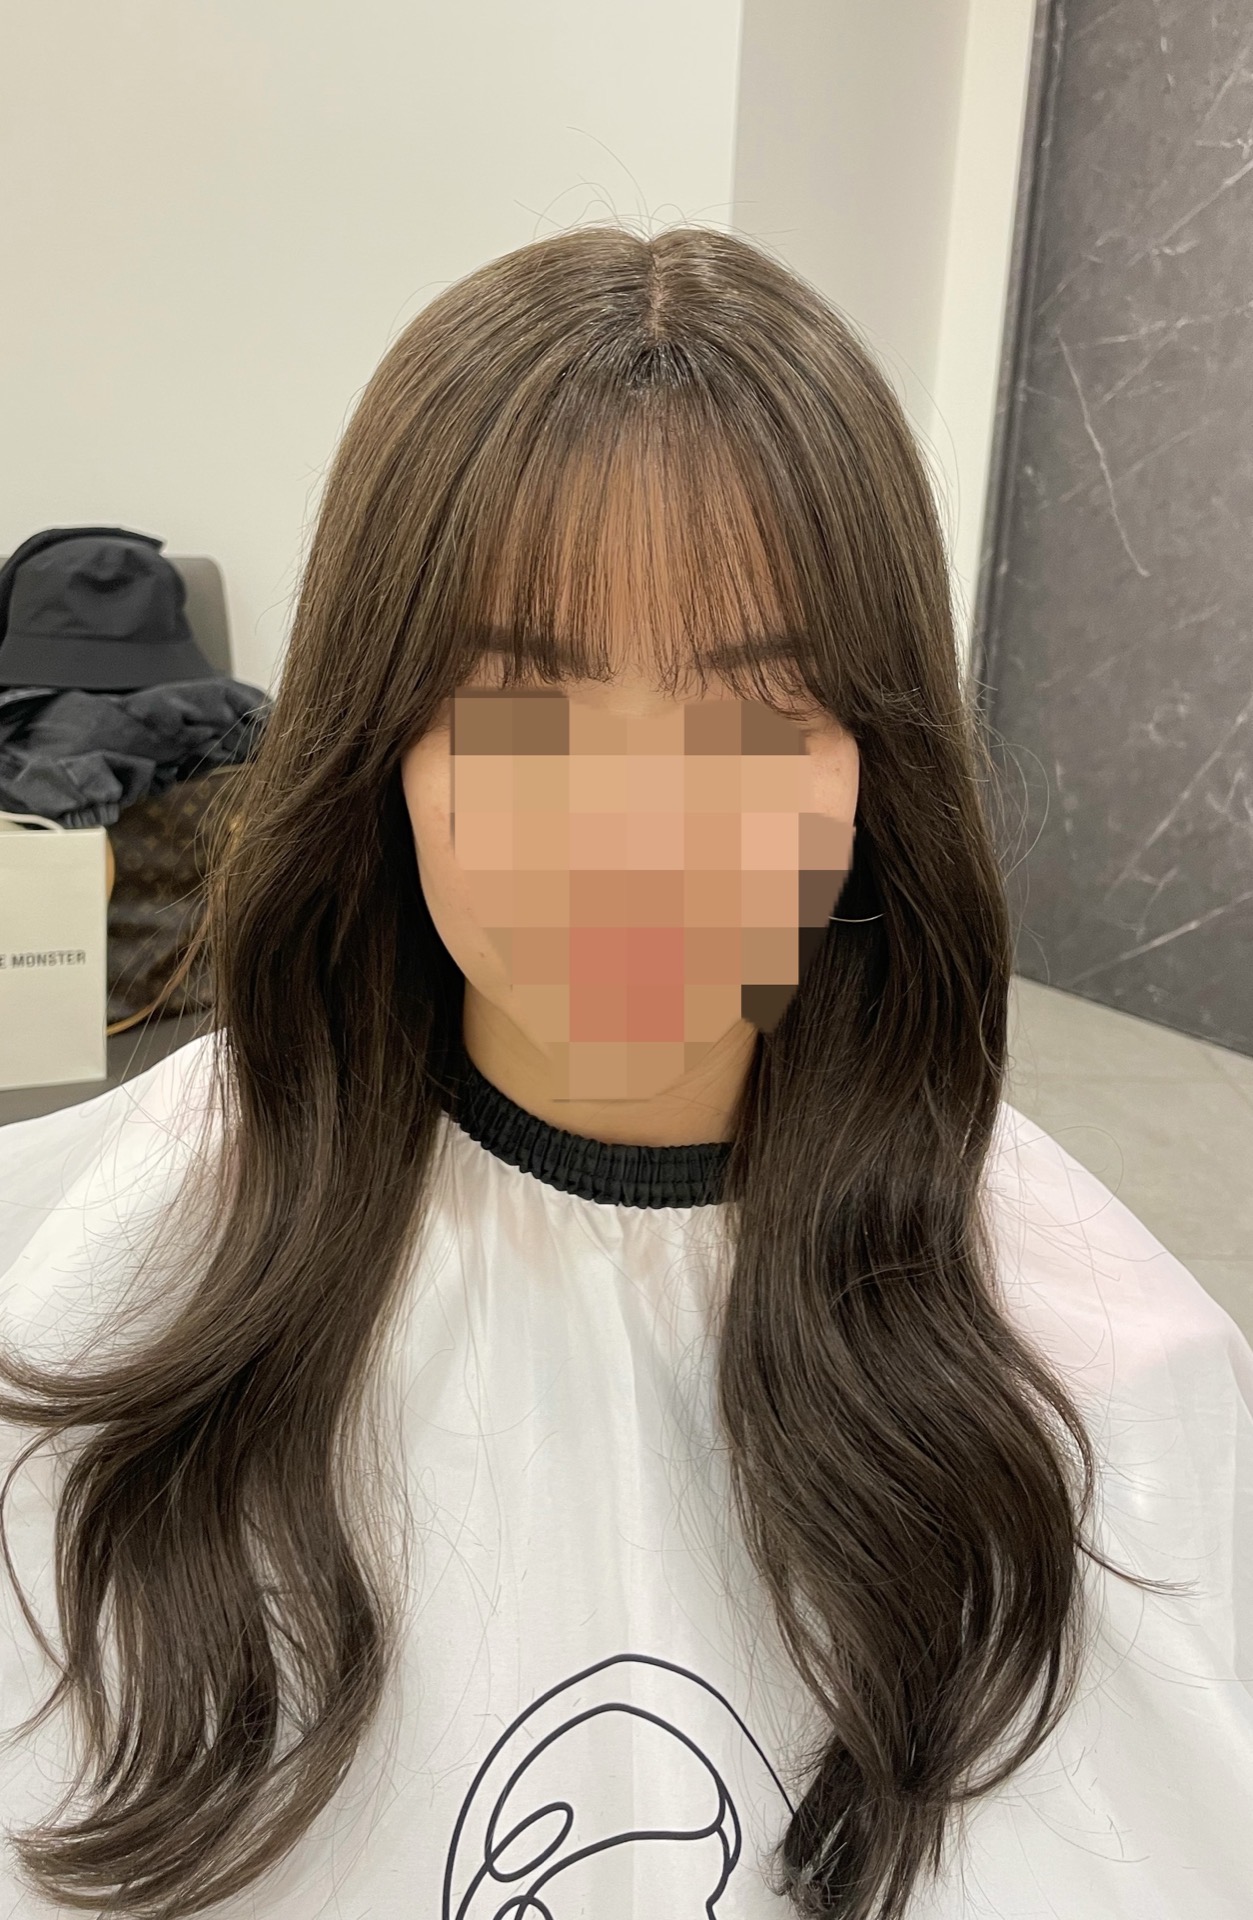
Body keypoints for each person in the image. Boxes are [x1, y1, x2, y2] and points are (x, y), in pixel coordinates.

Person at [0, 223, 1249, 1920]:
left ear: (871, 776)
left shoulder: (1116, 1392)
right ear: (385, 743)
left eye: (759, 712)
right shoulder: (78, 1292)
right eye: (524, 700)